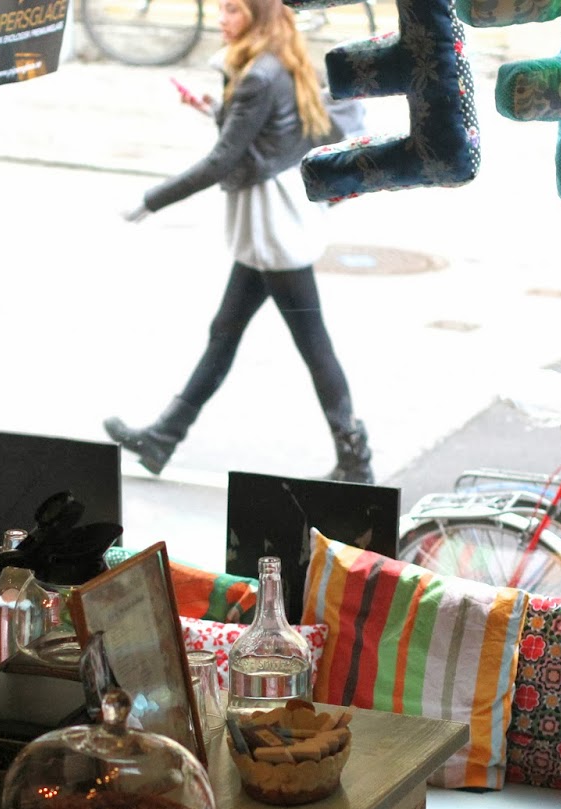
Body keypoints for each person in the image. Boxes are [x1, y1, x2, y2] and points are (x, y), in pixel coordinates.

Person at [105, 0, 373, 484]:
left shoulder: (257, 75)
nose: (221, 19)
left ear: (258, 16)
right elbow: (263, 136)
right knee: (225, 331)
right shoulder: (277, 60)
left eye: (232, 10)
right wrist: (215, 108)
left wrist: (150, 200)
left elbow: (222, 161)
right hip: (270, 222)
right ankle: (163, 437)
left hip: (272, 227)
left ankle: (355, 458)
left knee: (311, 343)